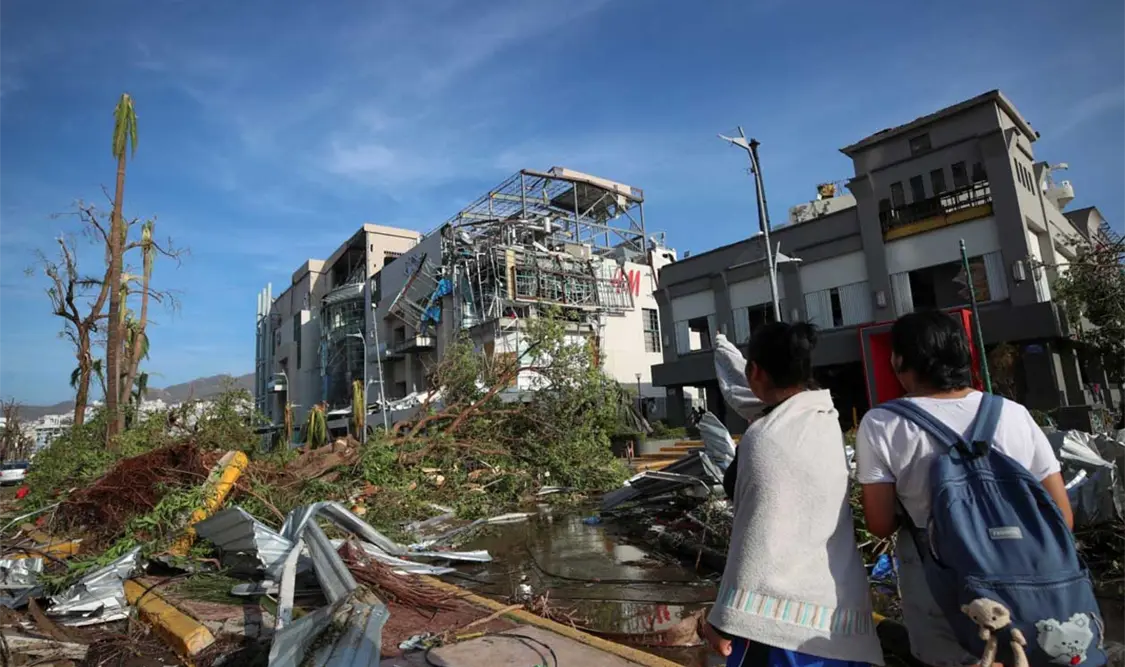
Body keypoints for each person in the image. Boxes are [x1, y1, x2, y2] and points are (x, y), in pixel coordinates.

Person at [855, 311, 1073, 667]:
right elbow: (1061, 516)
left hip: (941, 589)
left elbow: (879, 523)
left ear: (899, 360)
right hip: (1026, 580)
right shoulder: (1014, 414)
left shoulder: (883, 423)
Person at [702, 322, 884, 667]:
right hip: (837, 614)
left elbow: (755, 535)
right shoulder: (826, 420)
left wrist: (722, 617)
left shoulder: (762, 437)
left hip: (775, 627)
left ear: (753, 371)